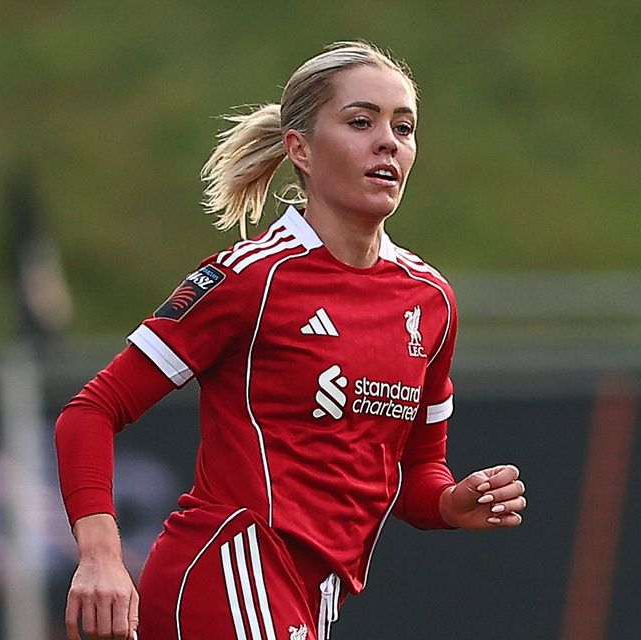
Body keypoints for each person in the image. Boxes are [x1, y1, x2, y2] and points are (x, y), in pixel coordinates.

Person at [55, 41, 526, 640]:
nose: (389, 142)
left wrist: (452, 504)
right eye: (361, 122)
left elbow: (418, 471)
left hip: (313, 595)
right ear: (300, 149)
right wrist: (100, 554)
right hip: (233, 566)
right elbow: (92, 411)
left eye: (403, 127)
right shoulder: (252, 276)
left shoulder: (429, 300)